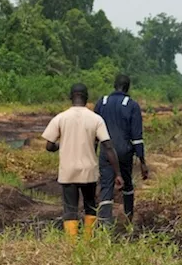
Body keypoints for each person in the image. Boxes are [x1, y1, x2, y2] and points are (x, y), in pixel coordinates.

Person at [43, 83, 123, 239]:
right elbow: (108, 146)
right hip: (89, 172)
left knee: (70, 208)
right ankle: (88, 241)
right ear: (87, 98)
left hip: (68, 171)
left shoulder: (61, 118)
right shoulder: (96, 119)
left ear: (70, 97)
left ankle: (72, 244)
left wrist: (62, 144)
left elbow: (49, 146)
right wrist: (117, 173)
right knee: (90, 206)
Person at [95, 74, 149, 226]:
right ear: (128, 87)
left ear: (114, 85)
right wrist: (142, 162)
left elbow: (93, 130)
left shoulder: (102, 102)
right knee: (127, 183)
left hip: (106, 151)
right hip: (125, 152)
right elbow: (137, 137)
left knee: (106, 185)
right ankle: (128, 219)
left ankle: (104, 222)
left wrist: (93, 151)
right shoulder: (132, 105)